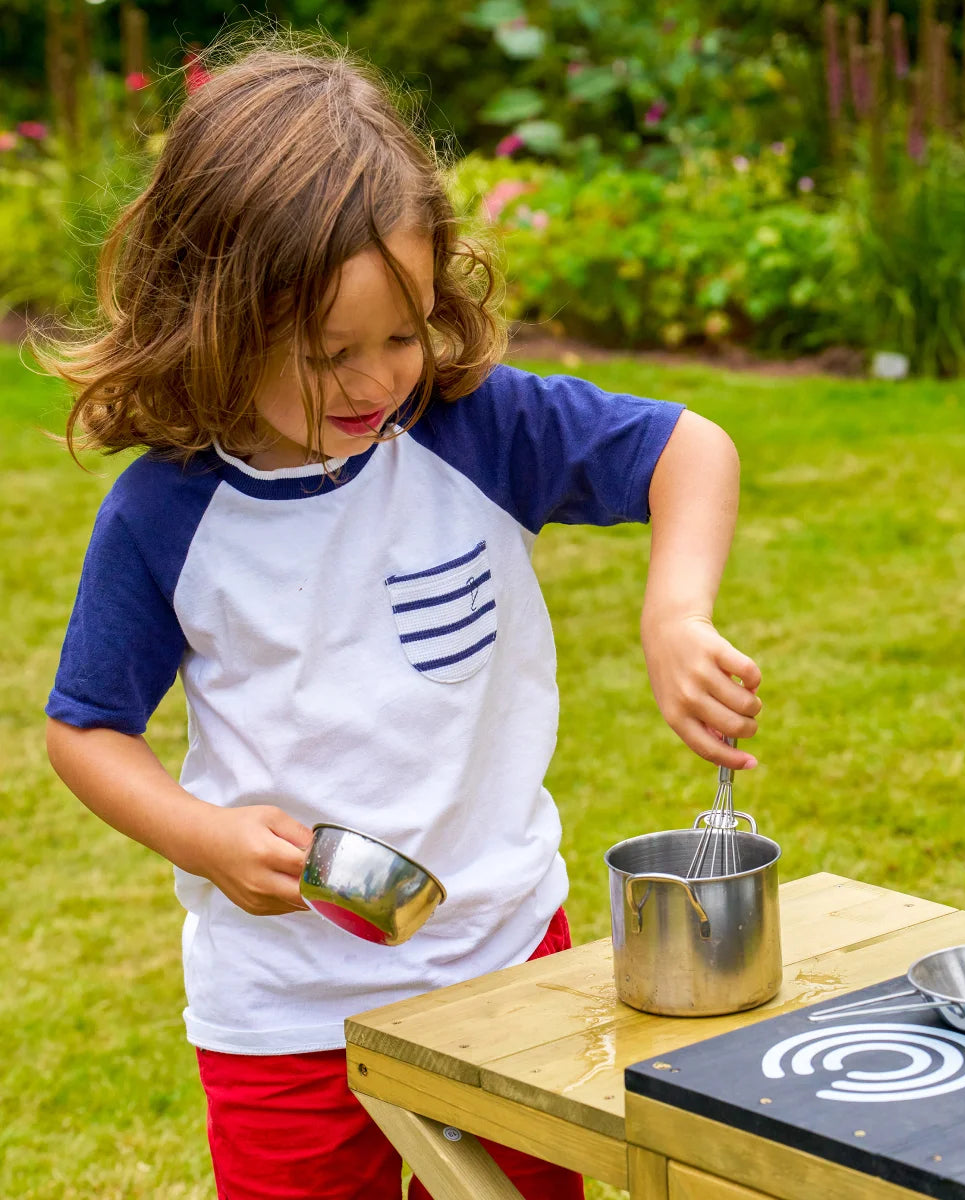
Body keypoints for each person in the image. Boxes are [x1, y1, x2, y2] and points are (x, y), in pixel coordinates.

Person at [40, 38, 762, 1200]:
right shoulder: (167, 515)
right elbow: (86, 730)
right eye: (329, 352)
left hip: (506, 963)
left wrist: (675, 611)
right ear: (214, 315)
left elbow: (691, 448)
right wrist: (199, 837)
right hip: (286, 1018)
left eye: (403, 331)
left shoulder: (470, 429)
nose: (377, 380)